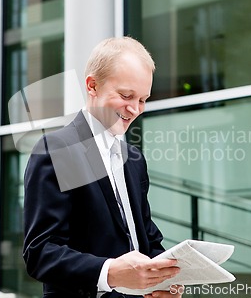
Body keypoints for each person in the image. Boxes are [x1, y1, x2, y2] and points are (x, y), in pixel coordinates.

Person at [23, 37, 182, 298]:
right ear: (92, 86)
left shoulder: (134, 160)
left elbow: (148, 239)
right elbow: (40, 252)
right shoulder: (57, 150)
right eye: (126, 95)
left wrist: (165, 279)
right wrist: (109, 272)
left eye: (143, 99)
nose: (135, 109)